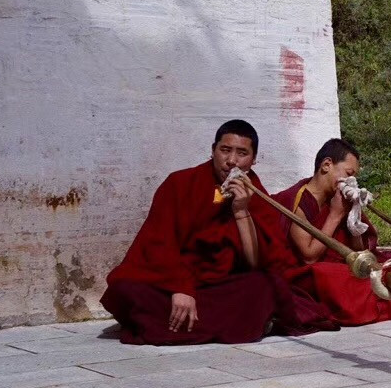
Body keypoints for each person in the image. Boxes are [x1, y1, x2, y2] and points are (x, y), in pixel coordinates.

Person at [100, 120, 337, 345]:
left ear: (253, 159)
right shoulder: (180, 183)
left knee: (262, 286)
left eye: (242, 153)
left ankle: (168, 326)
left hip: (221, 286)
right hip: (176, 279)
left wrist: (241, 211)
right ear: (213, 150)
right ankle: (227, 324)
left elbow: (257, 262)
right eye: (225, 150)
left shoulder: (257, 196)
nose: (232, 161)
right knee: (125, 287)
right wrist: (181, 288)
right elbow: (159, 243)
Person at [274, 138, 391, 326]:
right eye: (348, 174)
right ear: (327, 165)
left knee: (390, 261)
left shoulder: (337, 198)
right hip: (303, 274)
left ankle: (388, 296)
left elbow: (359, 253)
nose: (351, 181)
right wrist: (335, 215)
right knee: (331, 275)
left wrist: (354, 218)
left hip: (335, 262)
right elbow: (309, 257)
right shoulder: (297, 201)